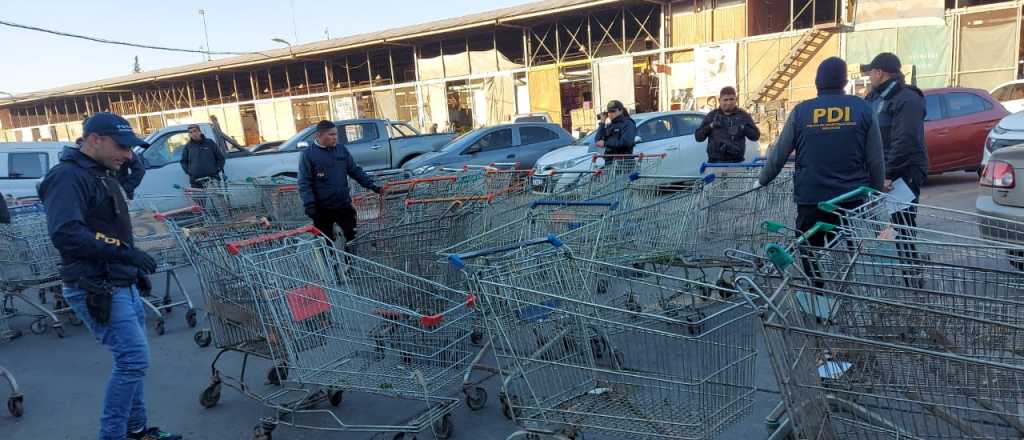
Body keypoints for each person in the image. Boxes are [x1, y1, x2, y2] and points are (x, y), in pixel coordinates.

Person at [38, 112, 179, 440]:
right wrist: (124, 253)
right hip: (96, 283)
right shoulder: (67, 176)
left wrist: (131, 175)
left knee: (134, 362)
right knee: (132, 361)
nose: (128, 154)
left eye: (131, 149)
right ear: (94, 140)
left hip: (118, 280)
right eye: (122, 146)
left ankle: (137, 430)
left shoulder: (100, 171)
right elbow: (67, 232)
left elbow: (108, 207)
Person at [759, 57, 885, 262]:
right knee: (848, 256)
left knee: (810, 252)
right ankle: (843, 289)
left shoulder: (802, 111)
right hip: (851, 199)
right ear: (844, 82)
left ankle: (816, 290)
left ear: (818, 82)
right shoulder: (862, 108)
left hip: (811, 198)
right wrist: (876, 192)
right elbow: (876, 159)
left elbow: (779, 153)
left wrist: (763, 179)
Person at [298, 120, 381, 250]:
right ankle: (333, 268)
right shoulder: (309, 155)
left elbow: (354, 170)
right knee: (326, 244)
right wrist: (309, 205)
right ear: (319, 136)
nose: (335, 137)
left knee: (352, 238)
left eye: (336, 134)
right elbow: (304, 183)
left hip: (343, 204)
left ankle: (350, 266)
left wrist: (372, 186)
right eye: (331, 134)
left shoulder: (341, 150)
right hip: (322, 209)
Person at [861, 52, 929, 211]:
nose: (869, 77)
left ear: (879, 73)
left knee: (900, 223)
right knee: (878, 227)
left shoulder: (908, 98)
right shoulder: (873, 97)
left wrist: (887, 175)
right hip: (880, 173)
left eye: (870, 72)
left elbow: (905, 142)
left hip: (903, 173)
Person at [695, 86, 760, 163]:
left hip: (737, 163)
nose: (728, 103)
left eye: (731, 99)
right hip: (715, 163)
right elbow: (698, 137)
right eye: (725, 100)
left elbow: (755, 136)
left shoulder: (743, 115)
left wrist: (743, 127)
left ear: (736, 100)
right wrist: (710, 126)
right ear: (720, 100)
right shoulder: (712, 115)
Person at [69, 138, 146, 199]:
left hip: (117, 193)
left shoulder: (121, 150)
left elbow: (139, 170)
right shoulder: (72, 168)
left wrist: (124, 188)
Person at [180, 124, 226, 188]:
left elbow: (220, 158)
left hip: (212, 179)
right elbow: (183, 161)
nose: (193, 134)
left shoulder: (210, 143)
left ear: (199, 131)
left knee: (216, 197)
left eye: (195, 131)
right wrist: (189, 172)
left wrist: (216, 169)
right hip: (196, 181)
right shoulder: (188, 146)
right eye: (191, 132)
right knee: (199, 198)